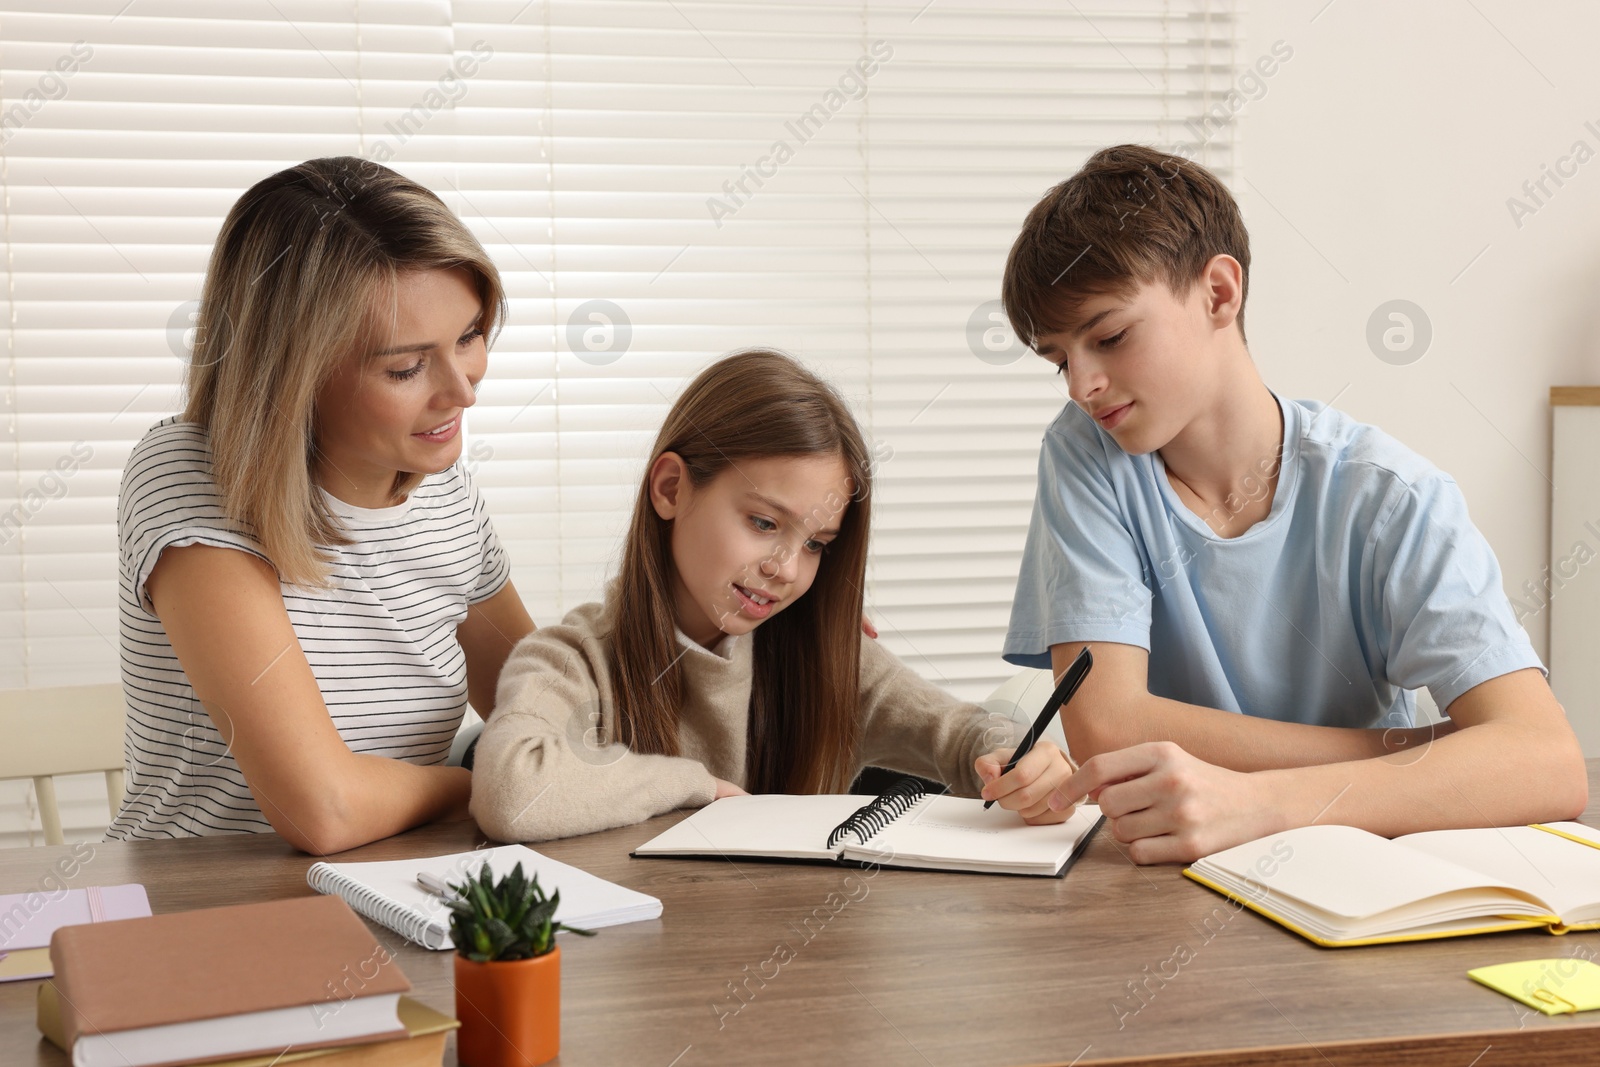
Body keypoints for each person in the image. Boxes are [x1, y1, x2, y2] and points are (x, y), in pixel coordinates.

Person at [1000, 144, 1588, 864]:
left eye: (1110, 336)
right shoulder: (1088, 456)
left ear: (1220, 293)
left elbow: (1545, 761)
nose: (1081, 385)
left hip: (1363, 870)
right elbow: (1110, 728)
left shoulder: (1388, 495)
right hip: (1170, 881)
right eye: (1060, 358)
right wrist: (1405, 750)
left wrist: (1263, 803)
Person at [469, 350, 1073, 842]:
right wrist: (694, 787)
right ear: (672, 488)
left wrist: (1020, 759)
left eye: (816, 544)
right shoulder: (571, 662)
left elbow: (957, 733)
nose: (786, 569)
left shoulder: (824, 658)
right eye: (763, 523)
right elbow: (510, 792)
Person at [110, 157, 535, 854]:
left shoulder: (443, 487)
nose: (463, 390)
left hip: (403, 888)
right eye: (405, 366)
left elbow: (547, 717)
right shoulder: (190, 475)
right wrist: (475, 774)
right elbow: (322, 810)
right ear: (291, 371)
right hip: (205, 911)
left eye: (469, 336)